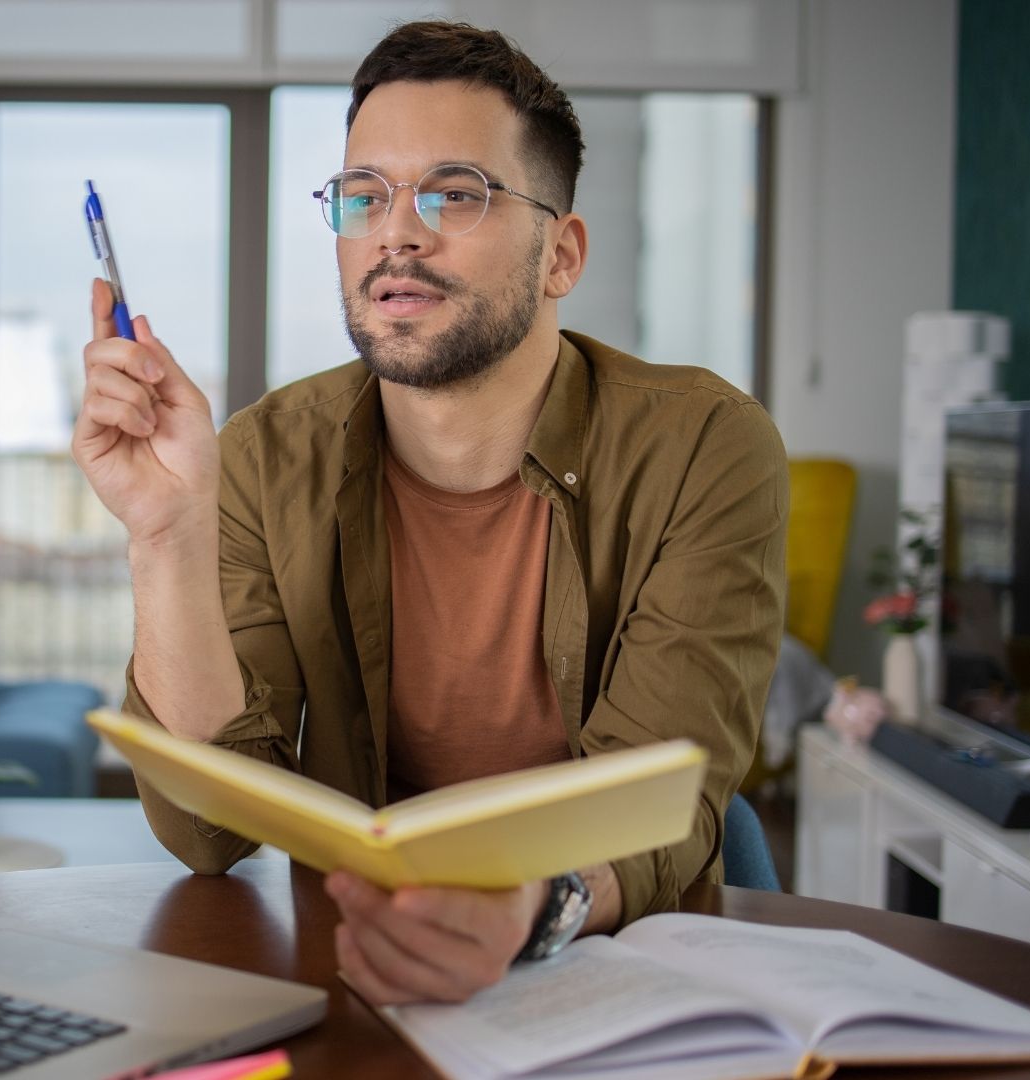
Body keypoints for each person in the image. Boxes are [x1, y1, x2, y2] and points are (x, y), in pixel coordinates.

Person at [72, 20, 787, 1004]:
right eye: (364, 196)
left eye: (455, 193)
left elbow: (664, 798)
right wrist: (166, 537)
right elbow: (208, 831)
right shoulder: (264, 456)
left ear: (560, 255)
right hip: (363, 964)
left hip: (616, 968)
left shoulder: (704, 444)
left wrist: (525, 911)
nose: (396, 233)